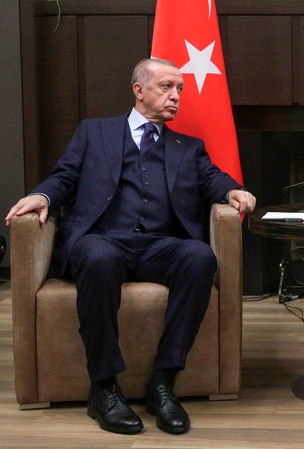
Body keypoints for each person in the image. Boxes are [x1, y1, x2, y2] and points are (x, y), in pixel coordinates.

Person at [4, 58, 256, 435]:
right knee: (99, 256)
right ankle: (103, 387)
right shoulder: (95, 133)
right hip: (103, 241)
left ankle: (162, 383)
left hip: (159, 245)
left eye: (180, 90)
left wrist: (233, 189)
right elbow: (65, 176)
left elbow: (212, 178)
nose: (176, 97)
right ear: (139, 90)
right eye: (167, 87)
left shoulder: (189, 147)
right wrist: (42, 195)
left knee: (200, 256)